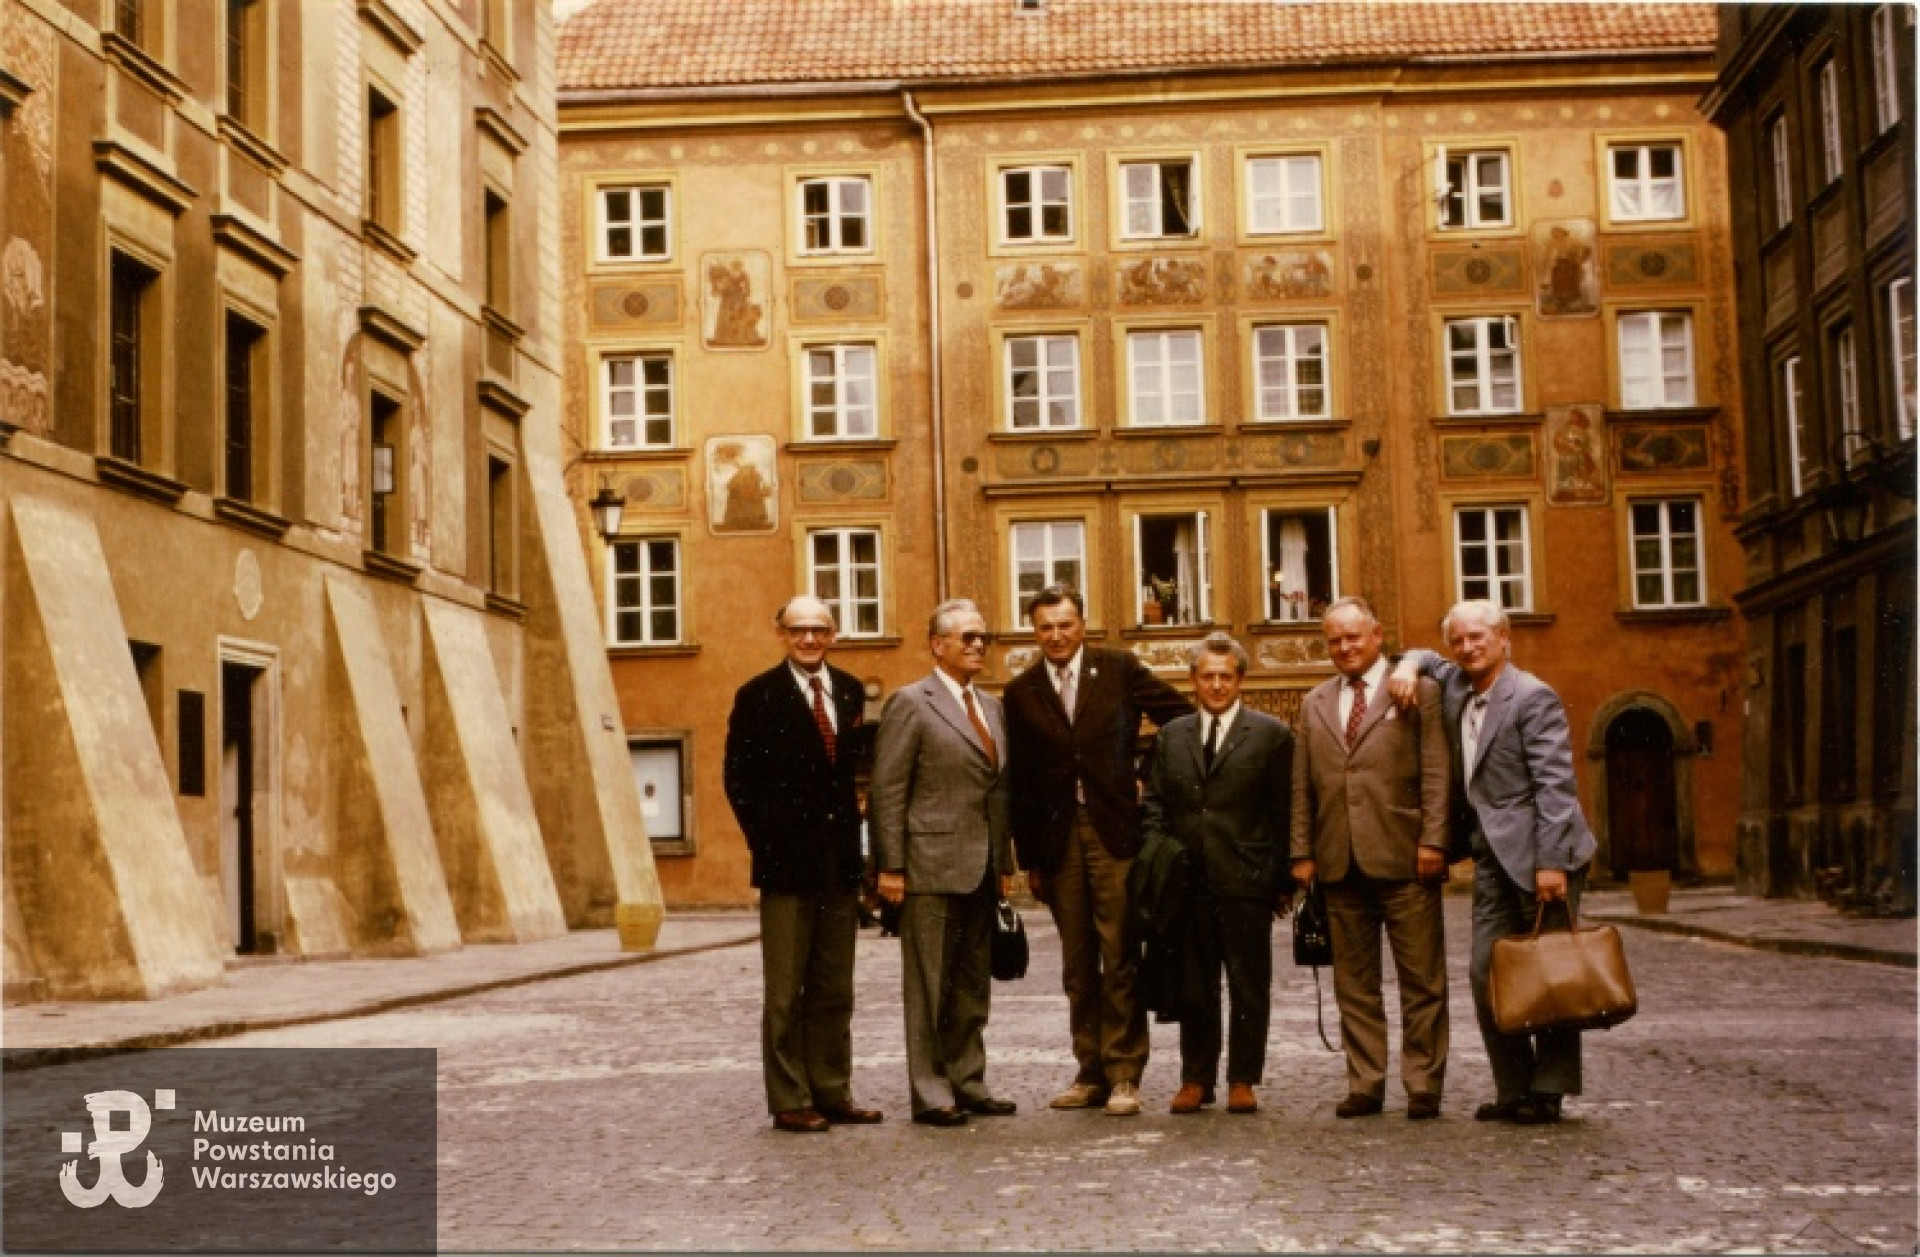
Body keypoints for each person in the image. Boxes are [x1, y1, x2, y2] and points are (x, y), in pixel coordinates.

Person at [1388, 599, 1599, 1126]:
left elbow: (1556, 787)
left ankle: (1546, 1089)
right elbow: (1420, 654)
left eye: (1478, 637)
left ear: (1504, 637)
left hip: (1543, 854)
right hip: (1490, 854)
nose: (1467, 647)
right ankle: (1511, 1087)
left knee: (1550, 973)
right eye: (1458, 639)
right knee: (1487, 972)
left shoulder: (1532, 697)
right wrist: (1410, 664)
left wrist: (1550, 864)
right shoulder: (1457, 684)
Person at [1004, 585, 1191, 1117]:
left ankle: (1125, 1073)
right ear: (1034, 631)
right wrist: (1030, 860)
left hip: (1115, 835)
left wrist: (1144, 779)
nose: (1057, 635)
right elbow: (1018, 782)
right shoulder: (1021, 691)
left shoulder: (1118, 669)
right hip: (1058, 840)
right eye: (1046, 627)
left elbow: (1179, 718)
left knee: (1121, 954)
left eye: (1065, 624)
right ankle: (1090, 1072)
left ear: (1082, 624)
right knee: (1077, 962)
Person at [722, 596, 882, 1134]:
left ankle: (832, 1090)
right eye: (799, 630)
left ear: (833, 633)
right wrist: (767, 840)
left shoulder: (849, 689)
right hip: (786, 865)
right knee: (786, 989)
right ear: (781, 634)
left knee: (836, 987)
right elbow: (737, 780)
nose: (809, 639)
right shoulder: (757, 696)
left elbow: (851, 774)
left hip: (839, 862)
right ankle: (789, 1096)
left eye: (818, 630)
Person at [1289, 597, 1452, 1121]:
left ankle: (1423, 1082)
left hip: (1406, 857)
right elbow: (1302, 787)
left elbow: (1436, 772)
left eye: (1354, 637)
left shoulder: (1416, 691)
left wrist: (1434, 840)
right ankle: (1366, 1082)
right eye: (1334, 640)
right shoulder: (1314, 702)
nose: (1344, 648)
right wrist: (1302, 852)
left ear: (1378, 635)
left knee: (1421, 979)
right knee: (1354, 984)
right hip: (1339, 862)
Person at [870, 599, 1017, 1127]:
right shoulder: (911, 703)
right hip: (927, 866)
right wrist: (890, 867)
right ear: (938, 645)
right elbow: (888, 789)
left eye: (983, 638)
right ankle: (931, 1093)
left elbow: (998, 793)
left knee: (971, 985)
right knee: (929, 985)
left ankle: (968, 1081)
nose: (979, 645)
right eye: (967, 638)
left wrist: (1004, 860)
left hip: (980, 867)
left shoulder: (993, 708)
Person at [1139, 633, 1293, 1115]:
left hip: (1246, 878)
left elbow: (1284, 810)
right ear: (1194, 681)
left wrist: (1282, 878)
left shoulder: (1270, 735)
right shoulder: (1172, 735)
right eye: (1208, 676)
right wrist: (1160, 854)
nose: (1217, 685)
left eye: (1226, 676)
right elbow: (1155, 803)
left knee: (1249, 984)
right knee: (1194, 984)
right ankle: (1196, 1078)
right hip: (1188, 880)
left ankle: (1243, 1079)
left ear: (1240, 680)